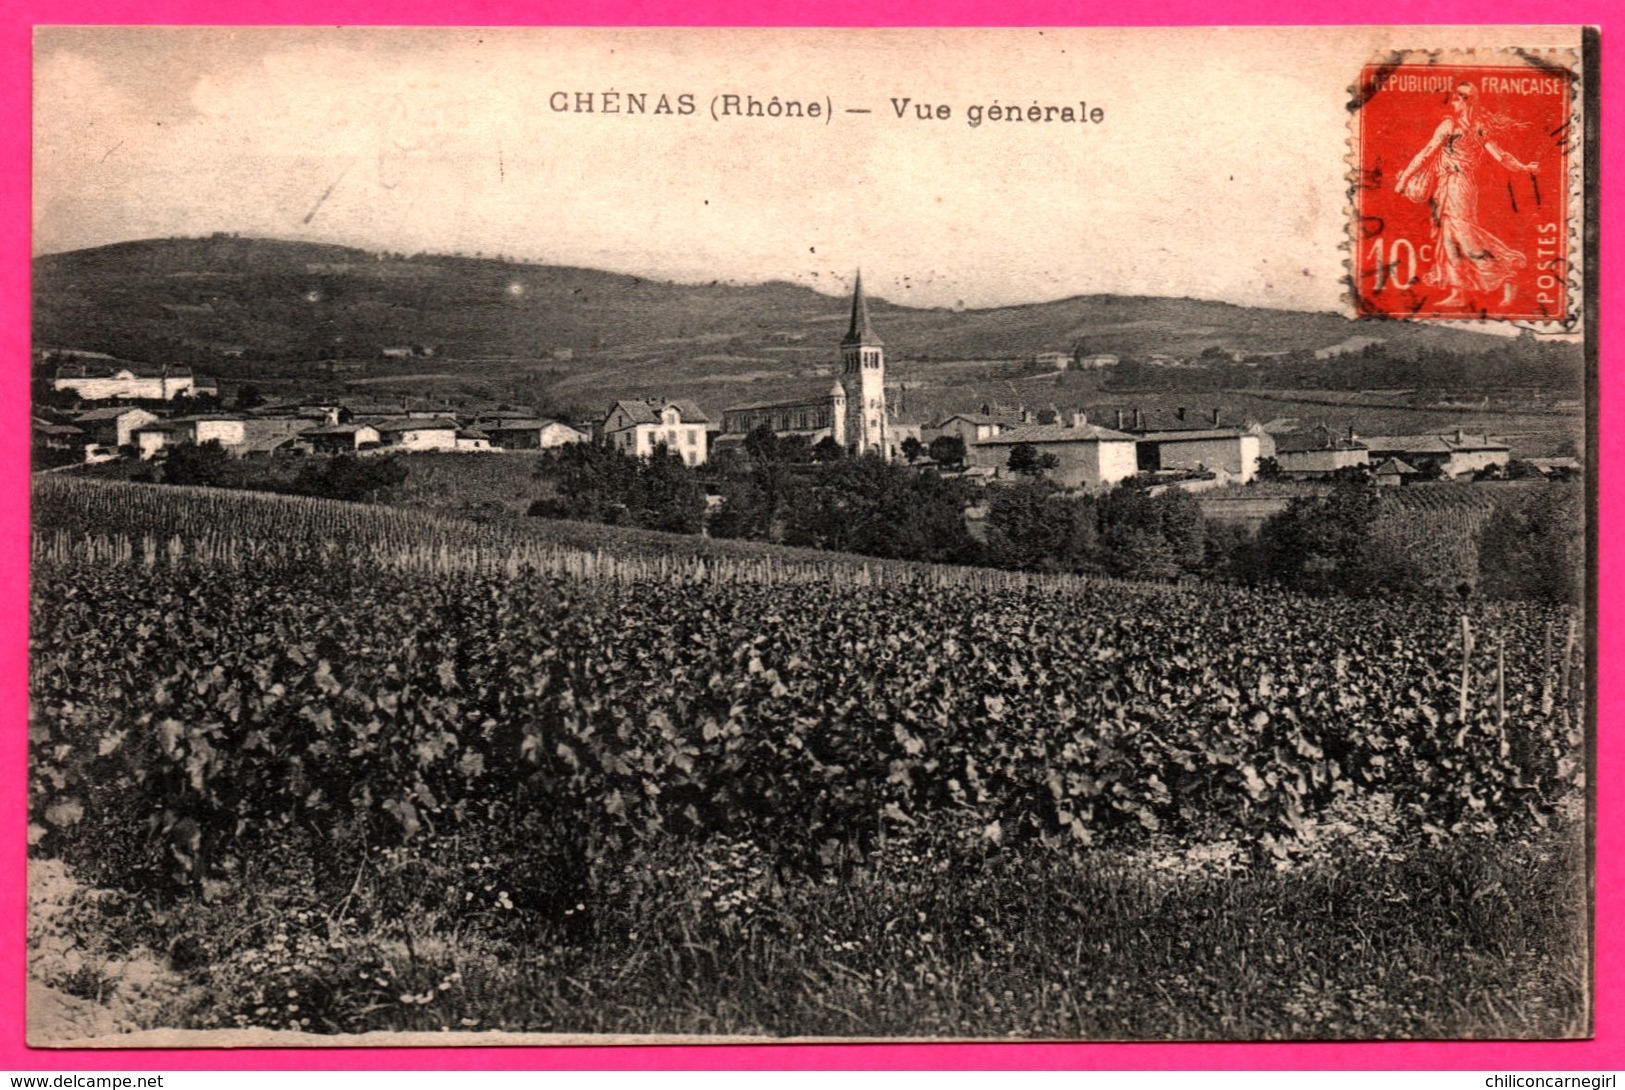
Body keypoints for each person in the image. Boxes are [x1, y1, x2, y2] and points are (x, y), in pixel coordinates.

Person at [1393, 81, 1539, 308]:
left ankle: (1506, 272)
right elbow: (1502, 157)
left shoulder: (1453, 126)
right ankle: (1458, 291)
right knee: (1449, 237)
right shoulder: (1474, 126)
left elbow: (1426, 154)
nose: (1453, 103)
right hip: (1452, 186)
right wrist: (1524, 167)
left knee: (1465, 237)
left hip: (1457, 186)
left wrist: (1404, 179)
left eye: (1457, 98)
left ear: (1465, 101)